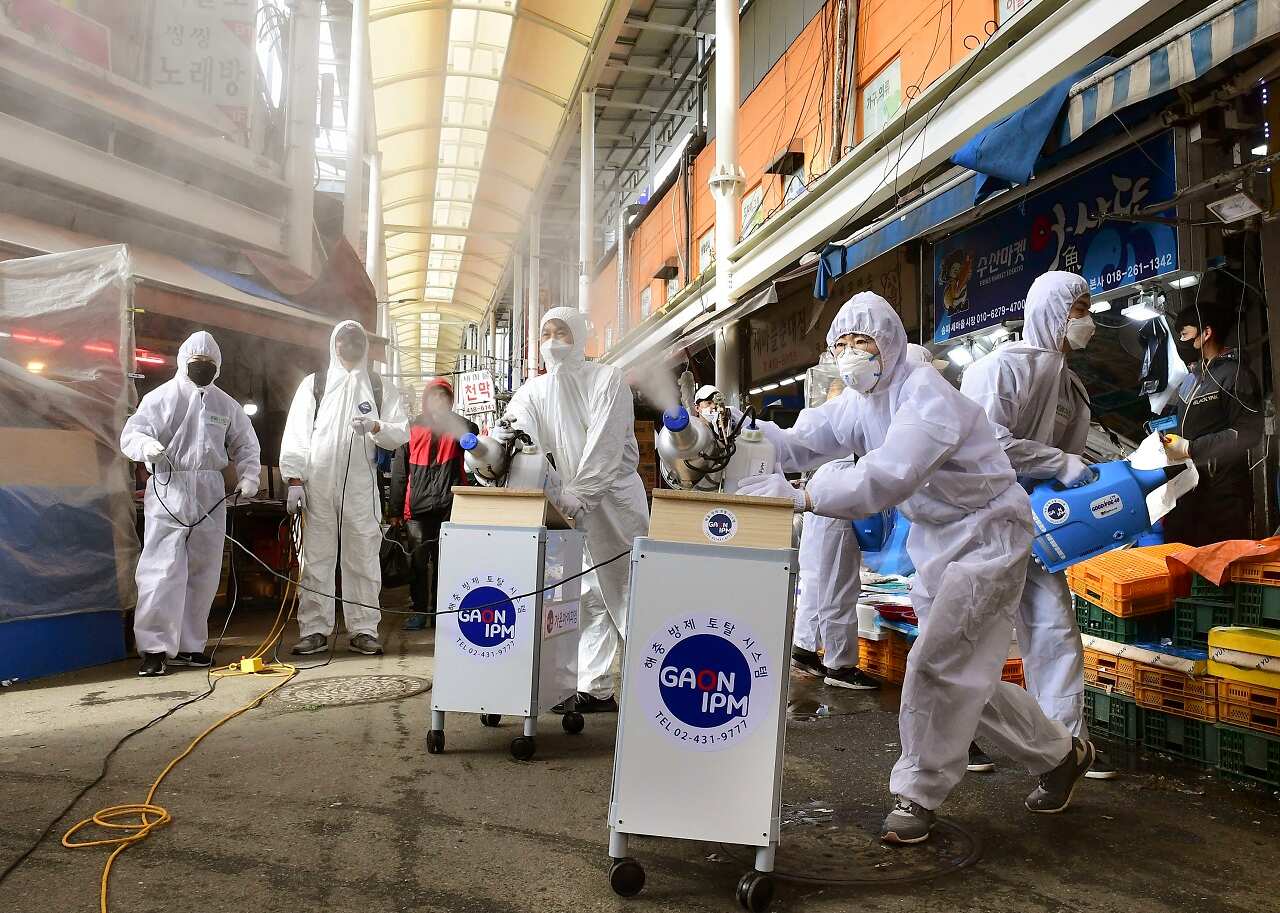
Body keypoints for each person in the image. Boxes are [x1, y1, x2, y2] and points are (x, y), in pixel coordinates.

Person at [736, 292, 1093, 845]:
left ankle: (917, 793)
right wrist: (747, 441)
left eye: (863, 342)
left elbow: (885, 477)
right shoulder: (864, 401)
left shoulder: (923, 394)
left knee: (936, 663)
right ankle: (1060, 755)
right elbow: (808, 437)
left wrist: (804, 496)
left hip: (987, 535)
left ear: (891, 343)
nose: (853, 354)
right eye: (842, 345)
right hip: (938, 543)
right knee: (966, 672)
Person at [960, 271, 1115, 779]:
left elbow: (1069, 459)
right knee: (968, 636)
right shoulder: (1002, 368)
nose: (1086, 320)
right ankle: (956, 737)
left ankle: (1066, 748)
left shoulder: (1072, 387)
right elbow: (989, 443)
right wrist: (1057, 462)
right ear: (1052, 310)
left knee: (1054, 628)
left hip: (1038, 527)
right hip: (982, 524)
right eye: (1079, 308)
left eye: (1087, 308)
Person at [498, 307, 650, 713]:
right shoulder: (533, 391)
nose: (552, 340)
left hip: (613, 502)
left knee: (628, 591)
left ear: (580, 336)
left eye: (561, 331)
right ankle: (596, 687)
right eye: (545, 332)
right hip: (568, 505)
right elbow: (517, 431)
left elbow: (605, 445)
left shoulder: (607, 379)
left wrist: (579, 495)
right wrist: (495, 443)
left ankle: (656, 684)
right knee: (587, 596)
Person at [120, 331, 261, 677]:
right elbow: (131, 433)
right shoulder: (162, 398)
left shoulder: (224, 404)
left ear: (217, 367)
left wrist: (249, 477)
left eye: (208, 366)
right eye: (196, 364)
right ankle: (153, 647)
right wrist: (146, 449)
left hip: (210, 492)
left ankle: (190, 645)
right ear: (183, 362)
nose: (201, 370)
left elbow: (246, 444)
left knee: (205, 571)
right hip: (170, 487)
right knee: (161, 569)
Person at [280, 321, 409, 656]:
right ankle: (315, 629)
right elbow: (296, 433)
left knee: (363, 557)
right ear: (333, 345)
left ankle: (364, 628)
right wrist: (294, 479)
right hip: (318, 484)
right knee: (317, 558)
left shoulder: (379, 386)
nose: (348, 345)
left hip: (360, 488)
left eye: (355, 339)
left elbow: (400, 432)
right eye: (343, 340)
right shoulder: (316, 385)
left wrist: (376, 426)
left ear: (364, 345)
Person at [792, 375, 879, 690]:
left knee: (816, 577)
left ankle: (804, 649)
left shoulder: (824, 438)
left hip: (822, 486)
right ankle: (840, 666)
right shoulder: (851, 423)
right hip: (838, 490)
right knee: (838, 584)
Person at [1161, 303, 1263, 546]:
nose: (1181, 341)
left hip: (1222, 495)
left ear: (1206, 333)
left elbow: (1249, 433)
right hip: (1188, 491)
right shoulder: (1192, 378)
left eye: (1185, 334)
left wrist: (1191, 448)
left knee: (1217, 569)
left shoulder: (1235, 375)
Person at [389, 378, 477, 630]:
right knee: (417, 563)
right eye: (434, 396)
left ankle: (441, 612)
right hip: (416, 510)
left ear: (450, 402)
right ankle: (418, 611)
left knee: (445, 563)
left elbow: (474, 433)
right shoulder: (411, 428)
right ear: (426, 400)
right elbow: (399, 472)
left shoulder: (458, 427)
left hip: (450, 509)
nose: (439, 401)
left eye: (444, 397)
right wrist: (395, 510)